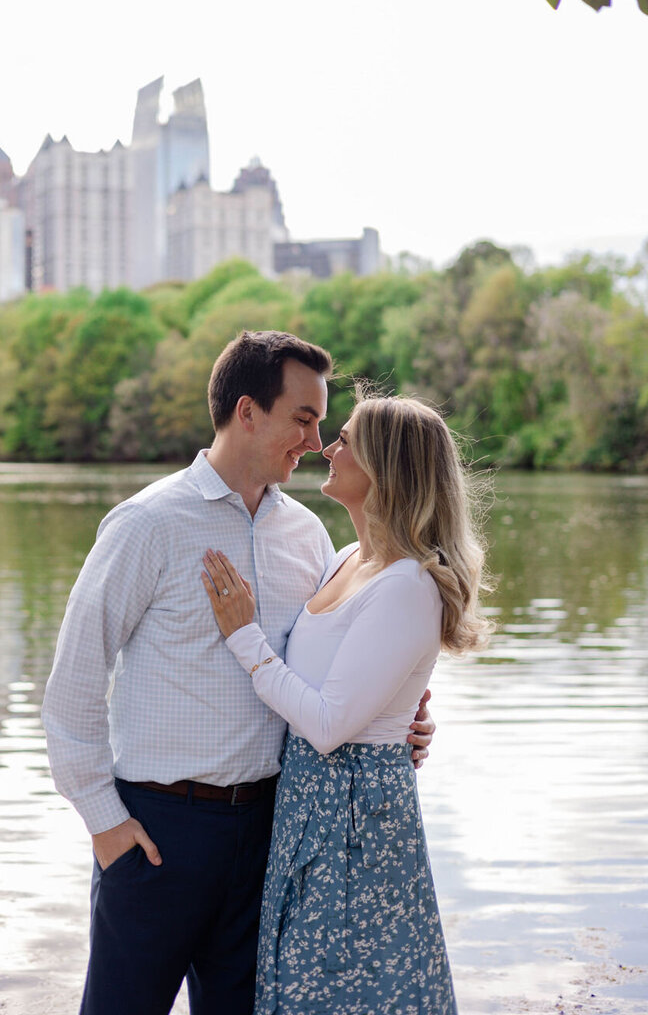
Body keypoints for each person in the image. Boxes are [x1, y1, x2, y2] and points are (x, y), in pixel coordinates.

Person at [42, 332, 435, 1015]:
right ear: (248, 411)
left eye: (322, 424)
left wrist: (398, 720)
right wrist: (104, 822)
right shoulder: (147, 524)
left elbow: (335, 666)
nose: (314, 442)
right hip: (159, 833)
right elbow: (75, 682)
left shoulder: (309, 538)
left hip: (271, 833)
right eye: (304, 419)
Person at [201, 390, 491, 1015]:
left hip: (357, 820)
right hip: (310, 805)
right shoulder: (347, 559)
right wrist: (410, 715)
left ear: (387, 467)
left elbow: (330, 724)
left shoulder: (410, 584)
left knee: (351, 990)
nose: (328, 447)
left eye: (349, 439)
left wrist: (243, 637)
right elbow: (342, 684)